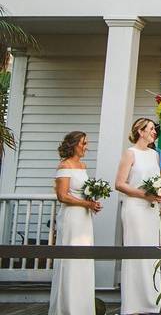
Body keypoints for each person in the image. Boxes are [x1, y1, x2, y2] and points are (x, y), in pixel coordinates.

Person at [49, 131, 101, 315]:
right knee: (70, 259)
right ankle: (68, 307)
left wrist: (92, 202)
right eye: (84, 143)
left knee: (84, 259)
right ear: (74, 145)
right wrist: (86, 203)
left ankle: (83, 307)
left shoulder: (82, 165)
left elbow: (82, 191)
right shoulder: (65, 165)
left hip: (85, 218)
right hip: (71, 218)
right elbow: (62, 196)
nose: (86, 146)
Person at [115, 118, 161, 315]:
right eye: (151, 129)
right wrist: (145, 194)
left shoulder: (154, 155)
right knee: (136, 252)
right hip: (135, 208)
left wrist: (159, 192)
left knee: (152, 254)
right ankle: (133, 304)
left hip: (151, 210)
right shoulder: (130, 153)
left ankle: (151, 302)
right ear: (140, 132)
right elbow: (119, 183)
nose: (154, 132)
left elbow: (157, 180)